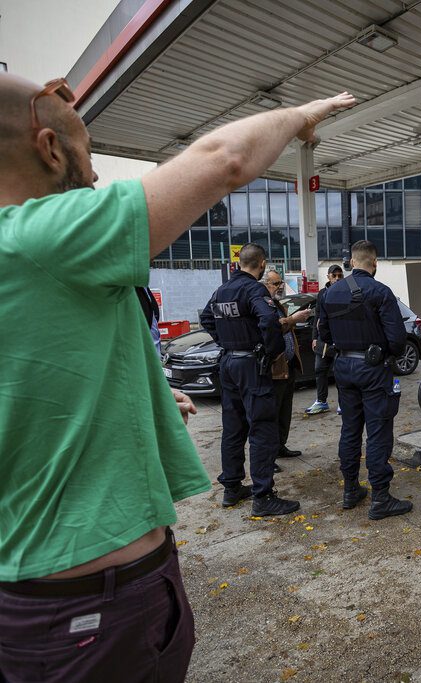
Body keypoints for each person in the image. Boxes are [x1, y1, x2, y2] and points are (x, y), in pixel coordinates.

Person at [0, 72, 355, 682]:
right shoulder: (42, 235)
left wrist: (147, 395)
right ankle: (260, 488)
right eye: (86, 149)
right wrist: (298, 115)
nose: (96, 175)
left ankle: (242, 483)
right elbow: (225, 159)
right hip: (92, 604)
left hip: (31, 596)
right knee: (262, 433)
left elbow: (35, 383)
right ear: (50, 149)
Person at [201, 244, 298, 515]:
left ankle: (232, 488)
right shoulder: (254, 289)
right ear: (262, 263)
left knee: (233, 428)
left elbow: (206, 317)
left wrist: (226, 342)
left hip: (229, 363)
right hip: (250, 366)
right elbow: (268, 321)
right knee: (263, 428)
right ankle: (263, 496)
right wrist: (269, 351)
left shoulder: (222, 290)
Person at [319, 240, 412, 520]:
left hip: (343, 367)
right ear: (374, 263)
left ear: (351, 262)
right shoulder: (380, 292)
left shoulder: (329, 293)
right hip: (373, 369)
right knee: (379, 430)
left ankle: (350, 489)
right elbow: (397, 341)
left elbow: (323, 335)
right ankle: (380, 497)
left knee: (350, 429)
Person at [264, 269, 314, 466]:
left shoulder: (276, 304)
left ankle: (280, 447)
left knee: (285, 411)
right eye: (276, 284)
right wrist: (293, 319)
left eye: (281, 282)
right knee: (272, 414)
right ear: (266, 283)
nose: (280, 287)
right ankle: (268, 457)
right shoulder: (263, 305)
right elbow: (273, 327)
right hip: (275, 369)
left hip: (288, 366)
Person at [305, 264, 343, 415]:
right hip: (323, 341)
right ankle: (321, 402)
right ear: (328, 277)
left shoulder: (346, 292)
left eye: (340, 276)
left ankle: (343, 403)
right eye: (334, 276)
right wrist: (314, 337)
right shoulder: (322, 294)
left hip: (339, 341)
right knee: (319, 370)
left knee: (339, 372)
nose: (337, 278)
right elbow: (317, 317)